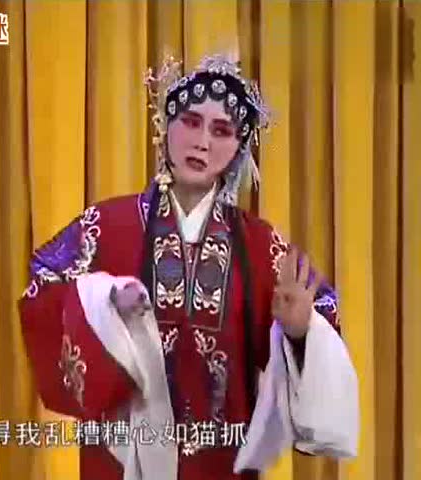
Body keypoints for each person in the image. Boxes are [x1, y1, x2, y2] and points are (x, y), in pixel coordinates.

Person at [18, 54, 358, 480]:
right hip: (121, 459)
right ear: (165, 126)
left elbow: (321, 312)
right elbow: (44, 286)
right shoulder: (106, 225)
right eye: (191, 122)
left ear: (239, 147)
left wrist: (300, 333)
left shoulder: (258, 244)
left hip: (221, 459)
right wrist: (102, 304)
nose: (202, 142)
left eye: (222, 130)